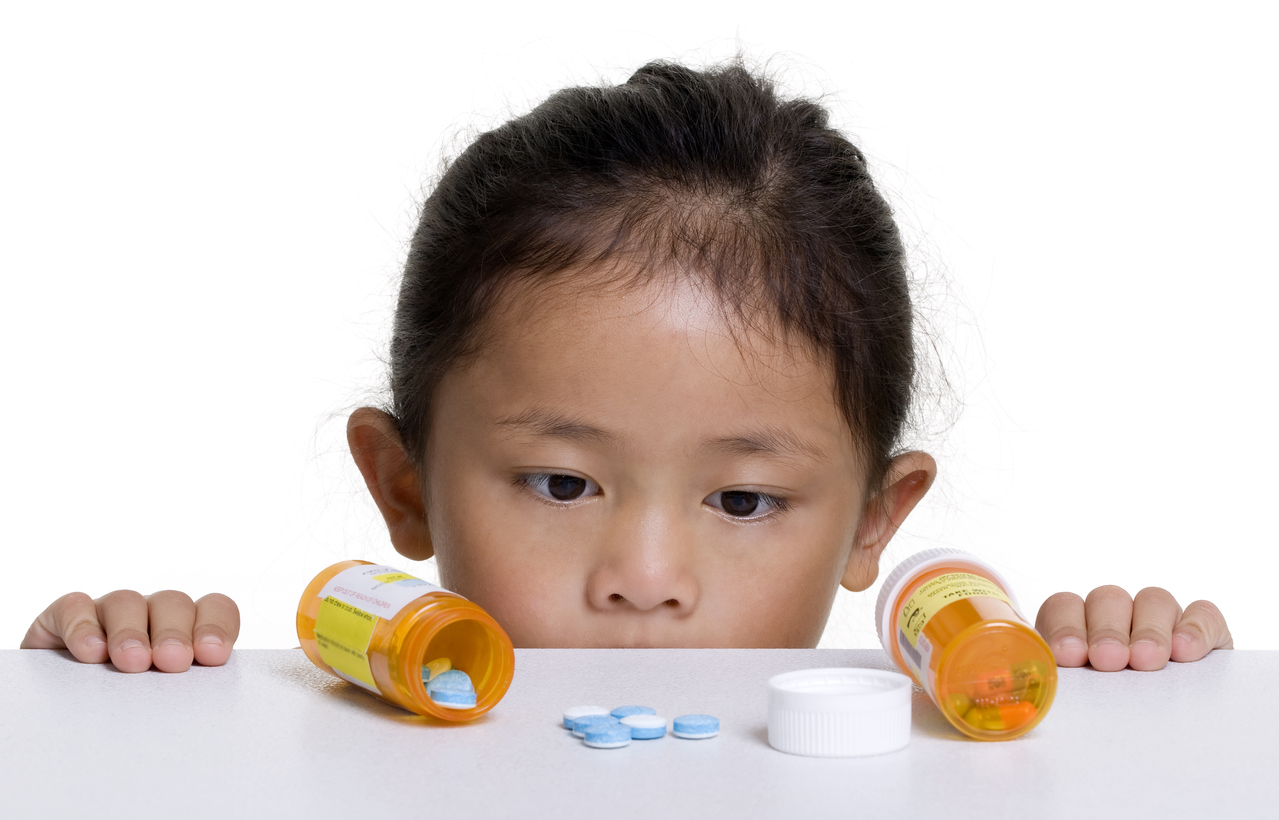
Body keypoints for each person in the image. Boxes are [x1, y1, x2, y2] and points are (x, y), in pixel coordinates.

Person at [21, 59, 1232, 675]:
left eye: (743, 500)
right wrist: (95, 696)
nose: (645, 582)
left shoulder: (938, 732)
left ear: (877, 518)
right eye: (560, 483)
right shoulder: (320, 728)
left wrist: (1137, 702)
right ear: (403, 486)